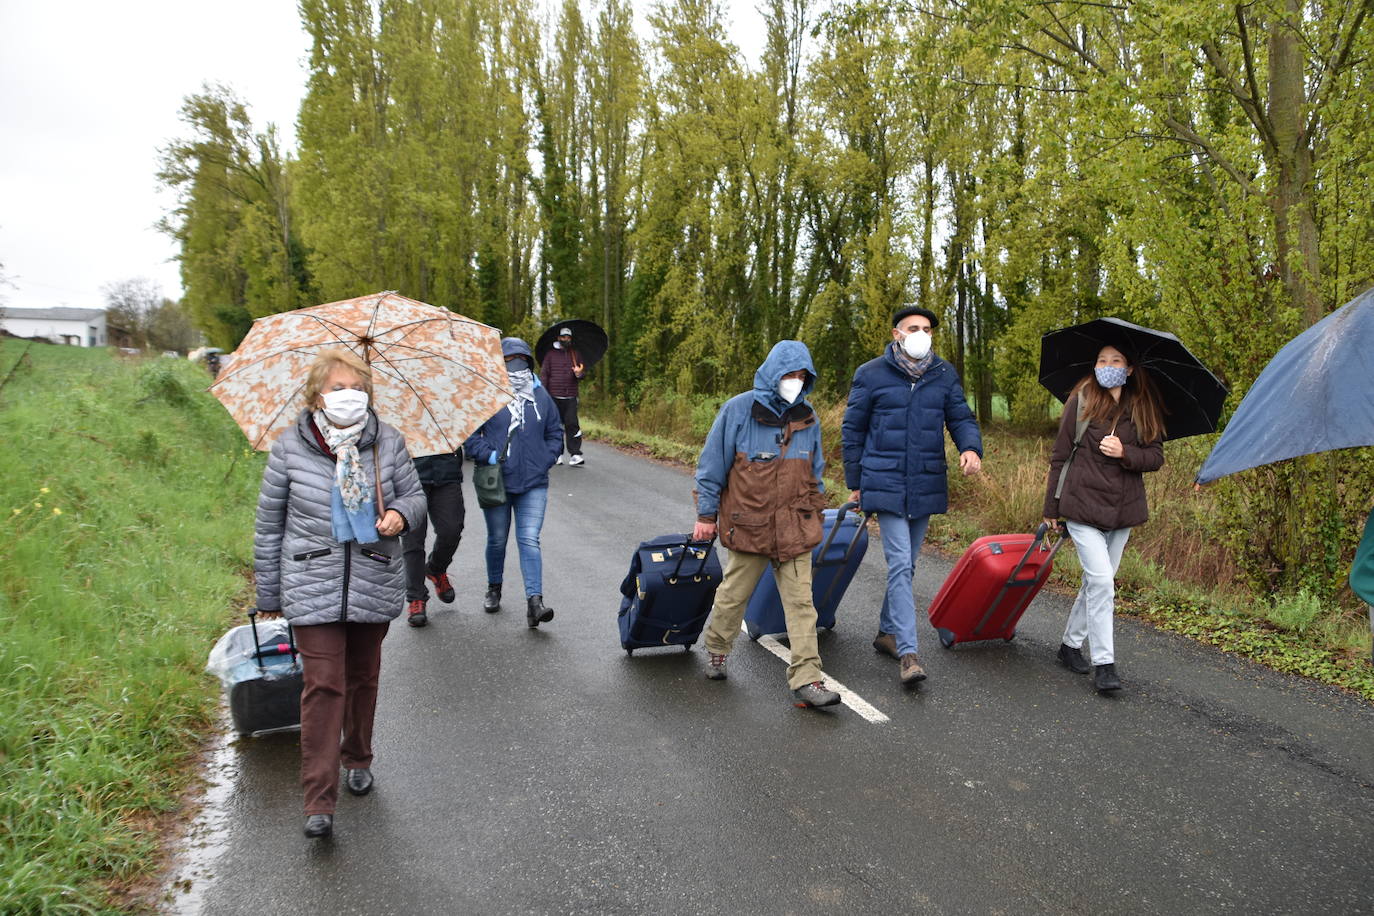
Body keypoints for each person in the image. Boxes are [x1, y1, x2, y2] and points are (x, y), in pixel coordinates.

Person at [253, 349, 425, 839]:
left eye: (356, 387)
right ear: (315, 396)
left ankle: (359, 756)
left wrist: (400, 515)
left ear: (368, 393)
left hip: (373, 573)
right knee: (324, 684)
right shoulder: (290, 447)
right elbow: (269, 525)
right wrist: (270, 592)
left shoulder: (387, 442)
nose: (348, 396)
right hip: (310, 580)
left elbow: (415, 497)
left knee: (363, 677)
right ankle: (318, 800)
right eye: (336, 387)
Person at [693, 340, 840, 709]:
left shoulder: (808, 417)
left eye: (801, 375)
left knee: (802, 604)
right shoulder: (738, 410)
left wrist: (815, 511)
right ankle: (717, 649)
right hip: (750, 524)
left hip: (795, 526)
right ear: (772, 373)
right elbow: (712, 468)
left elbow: (815, 473)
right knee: (733, 596)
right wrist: (706, 517)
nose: (795, 381)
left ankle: (808, 679)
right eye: (789, 374)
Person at [841, 306, 982, 685]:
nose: (922, 333)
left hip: (925, 480)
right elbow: (853, 431)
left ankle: (887, 631)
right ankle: (909, 652)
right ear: (896, 334)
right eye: (913, 328)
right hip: (882, 481)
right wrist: (856, 481)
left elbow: (961, 417)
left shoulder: (943, 373)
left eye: (927, 328)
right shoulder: (870, 374)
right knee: (901, 562)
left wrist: (971, 448)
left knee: (909, 564)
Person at [1042, 344, 1165, 693]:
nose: (1107, 366)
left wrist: (1126, 452)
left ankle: (1069, 646)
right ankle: (1105, 664)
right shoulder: (1081, 399)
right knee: (1101, 583)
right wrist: (1051, 508)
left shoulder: (1142, 406)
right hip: (1081, 506)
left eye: (1116, 361)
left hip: (1122, 511)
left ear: (1128, 370)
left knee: (1097, 582)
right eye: (1101, 360)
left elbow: (1156, 457)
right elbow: (1060, 455)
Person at [465, 338, 564, 627]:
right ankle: (494, 587)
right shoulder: (488, 395)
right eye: (509, 360)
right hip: (497, 481)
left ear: (529, 362)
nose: (515, 365)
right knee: (497, 540)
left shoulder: (541, 397)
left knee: (529, 539)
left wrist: (544, 460)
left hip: (534, 482)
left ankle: (535, 601)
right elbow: (471, 437)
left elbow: (555, 433)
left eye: (521, 359)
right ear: (500, 363)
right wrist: (491, 455)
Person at [401, 450, 465, 627]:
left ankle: (436, 569)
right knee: (412, 539)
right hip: (409, 478)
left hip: (447, 473)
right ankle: (416, 598)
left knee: (451, 530)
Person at [540, 327, 586, 466]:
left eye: (568, 337)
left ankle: (575, 454)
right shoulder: (550, 355)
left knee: (572, 424)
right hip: (553, 396)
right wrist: (543, 393)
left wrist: (579, 373)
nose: (566, 339)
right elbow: (544, 374)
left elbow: (582, 374)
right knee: (555, 426)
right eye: (563, 337)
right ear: (559, 337)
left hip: (571, 396)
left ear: (570, 339)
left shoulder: (575, 354)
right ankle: (556, 454)